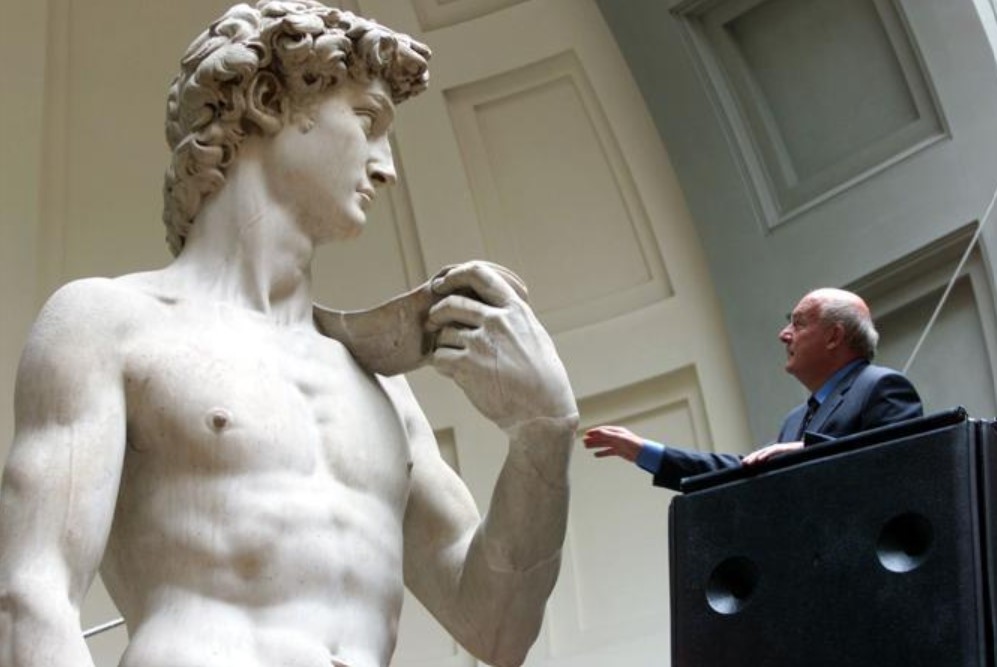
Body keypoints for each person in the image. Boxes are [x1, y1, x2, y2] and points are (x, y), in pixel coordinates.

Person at [0, 3, 578, 667]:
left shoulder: (382, 391)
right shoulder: (110, 324)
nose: (387, 167)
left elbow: (496, 629)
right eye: (367, 121)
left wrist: (543, 430)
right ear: (269, 100)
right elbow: (32, 595)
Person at [583, 287, 922, 490]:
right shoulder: (795, 420)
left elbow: (898, 469)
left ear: (834, 336)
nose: (783, 334)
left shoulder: (882, 386)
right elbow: (745, 470)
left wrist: (805, 453)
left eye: (798, 323)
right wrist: (648, 452)